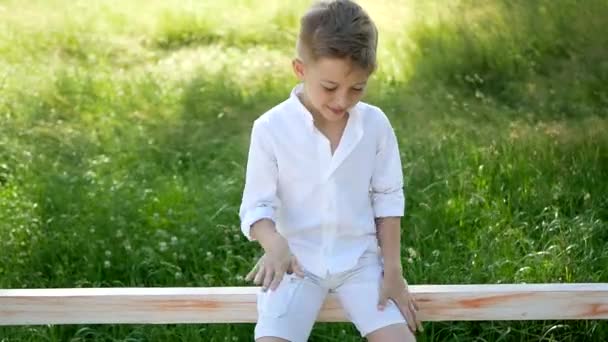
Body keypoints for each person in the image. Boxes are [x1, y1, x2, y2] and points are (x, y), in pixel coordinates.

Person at [239, 1, 421, 341]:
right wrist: (273, 243)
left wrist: (393, 272)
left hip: (361, 265)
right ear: (300, 69)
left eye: (357, 88)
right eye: (329, 87)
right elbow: (256, 206)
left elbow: (388, 199)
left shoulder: (375, 125)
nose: (341, 100)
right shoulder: (270, 128)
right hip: (295, 264)